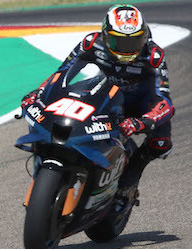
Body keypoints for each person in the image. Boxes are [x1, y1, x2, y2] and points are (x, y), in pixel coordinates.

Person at [20, 4, 174, 205]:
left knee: (161, 144)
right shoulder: (91, 42)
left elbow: (165, 101)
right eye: (119, 42)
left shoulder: (153, 57)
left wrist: (142, 122)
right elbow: (61, 74)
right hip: (102, 93)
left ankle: (129, 183)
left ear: (144, 36)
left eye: (134, 41)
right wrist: (38, 94)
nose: (127, 49)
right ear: (105, 35)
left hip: (140, 103)